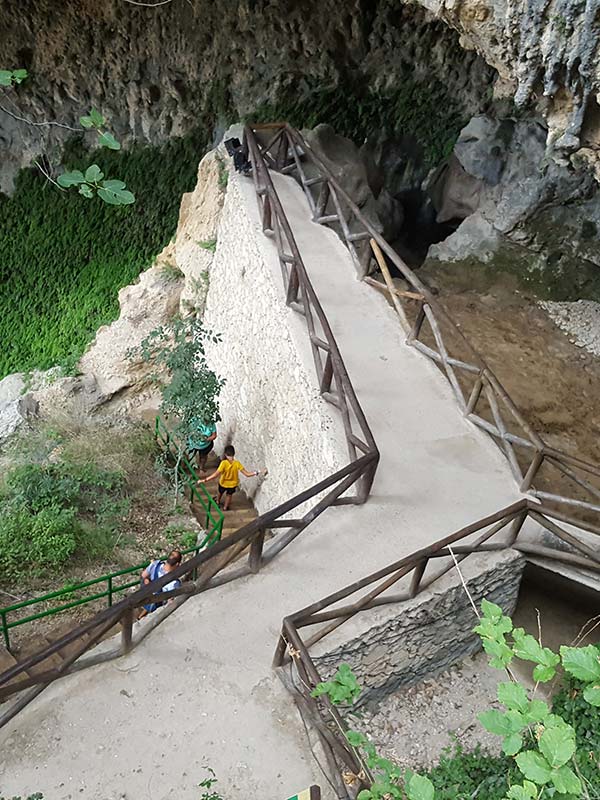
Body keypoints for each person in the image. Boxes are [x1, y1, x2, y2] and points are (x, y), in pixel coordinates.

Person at [198, 444, 267, 511]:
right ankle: (225, 507)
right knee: (229, 495)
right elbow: (247, 474)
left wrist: (204, 480)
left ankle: (217, 501)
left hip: (223, 483)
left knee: (220, 492)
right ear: (234, 454)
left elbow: (216, 474)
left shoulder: (224, 463)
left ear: (225, 454)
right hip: (233, 484)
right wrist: (258, 471)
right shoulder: (237, 463)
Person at [137, 549, 183, 619]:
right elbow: (170, 602)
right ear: (177, 564)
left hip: (145, 596)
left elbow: (143, 576)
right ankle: (141, 616)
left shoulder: (155, 564)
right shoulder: (174, 583)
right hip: (156, 607)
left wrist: (147, 580)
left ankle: (140, 616)